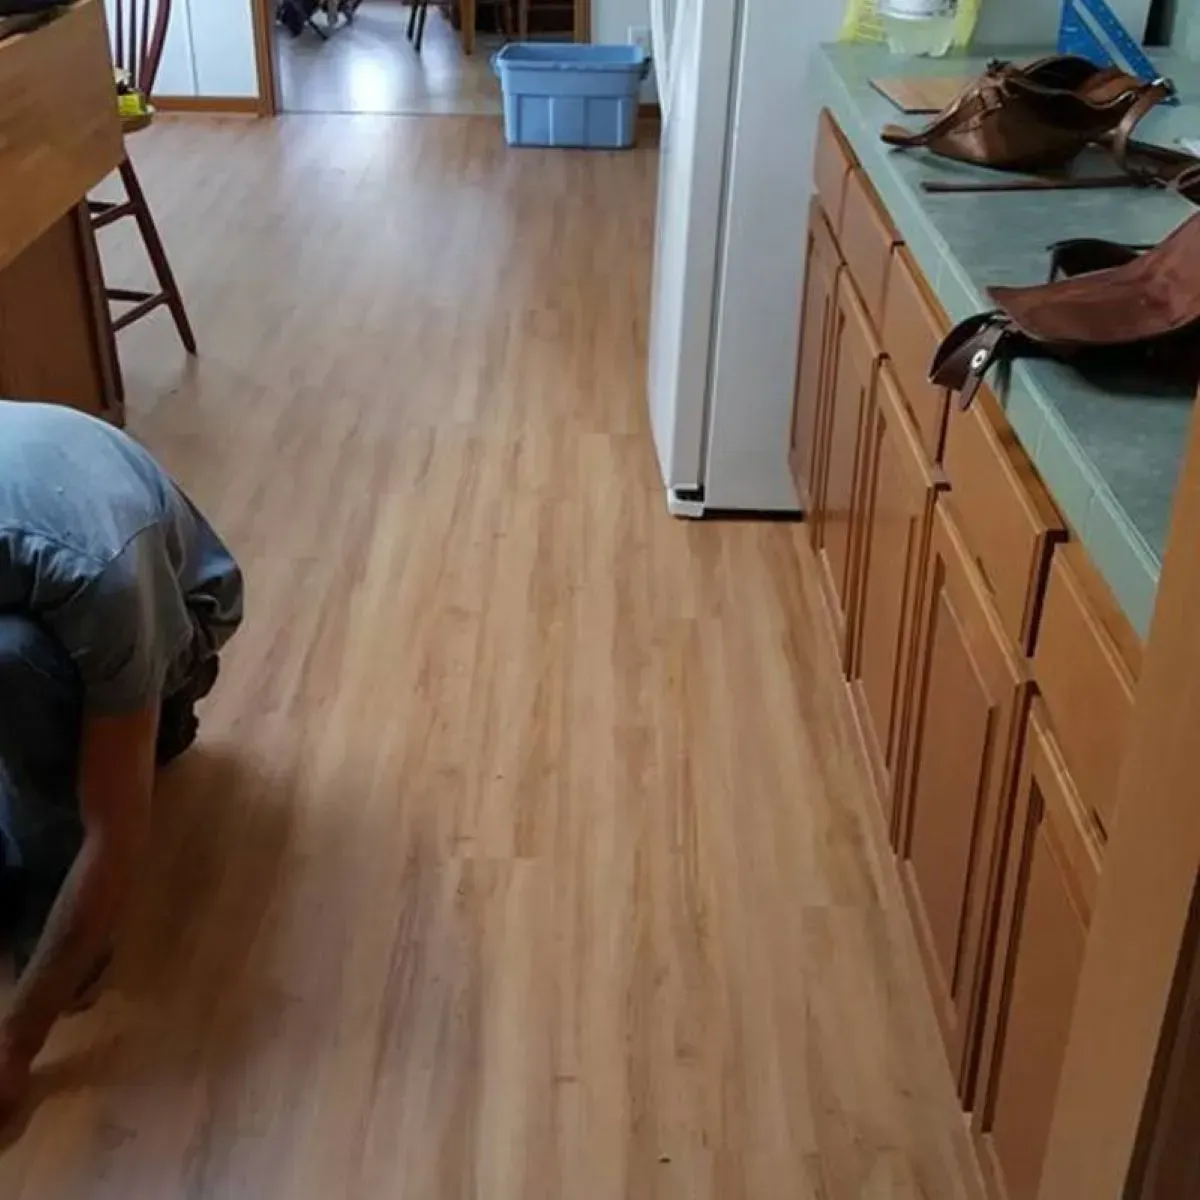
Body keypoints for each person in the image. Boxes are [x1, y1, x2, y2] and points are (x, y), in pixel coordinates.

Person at [0, 400, 243, 1119]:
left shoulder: (92, 570)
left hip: (177, 621)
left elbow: (117, 832)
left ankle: (153, 732)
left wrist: (16, 1044)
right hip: (58, 571)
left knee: (10, 664)